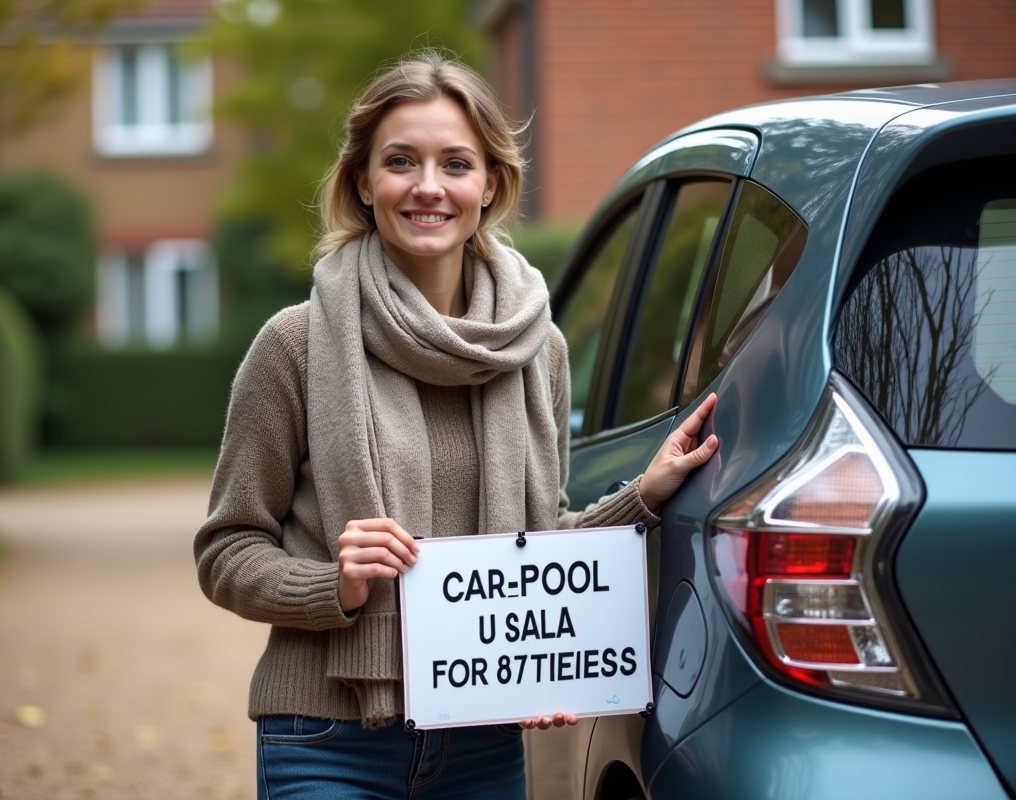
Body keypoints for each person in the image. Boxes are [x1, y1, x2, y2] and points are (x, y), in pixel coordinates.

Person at [194, 51, 719, 800]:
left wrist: (645, 494)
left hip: (482, 746)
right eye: (401, 161)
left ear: (491, 185)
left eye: (456, 163)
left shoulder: (537, 349)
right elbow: (226, 550)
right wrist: (331, 586)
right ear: (363, 184)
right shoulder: (296, 344)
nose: (428, 186)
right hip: (327, 737)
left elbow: (531, 551)